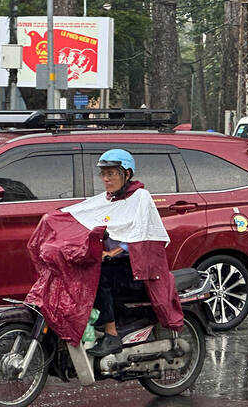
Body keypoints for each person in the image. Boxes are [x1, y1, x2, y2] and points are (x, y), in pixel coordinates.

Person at [66, 149, 177, 358]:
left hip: (138, 270)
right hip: (115, 263)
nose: (106, 179)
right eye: (103, 174)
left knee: (100, 276)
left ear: (126, 174)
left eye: (112, 174)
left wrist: (112, 253)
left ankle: (112, 334)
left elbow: (139, 235)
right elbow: (82, 217)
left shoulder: (141, 198)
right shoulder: (107, 199)